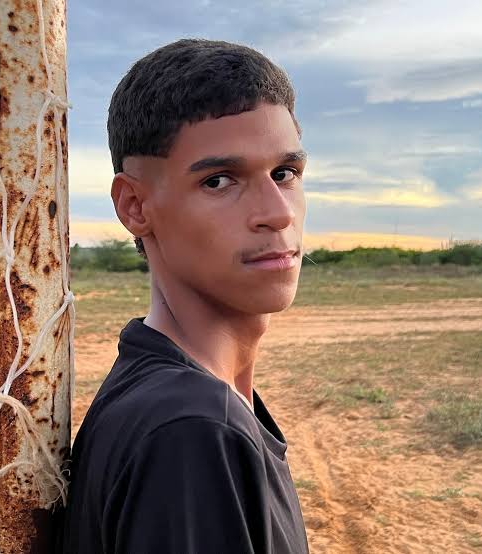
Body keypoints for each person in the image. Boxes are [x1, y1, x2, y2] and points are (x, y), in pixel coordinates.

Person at [57, 38, 309, 554]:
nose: (276, 212)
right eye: (219, 181)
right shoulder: (192, 430)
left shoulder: (165, 394)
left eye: (284, 173)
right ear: (134, 206)